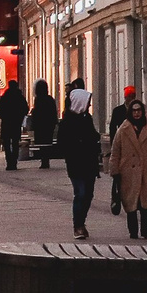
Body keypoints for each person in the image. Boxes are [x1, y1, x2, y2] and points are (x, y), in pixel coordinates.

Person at [109, 97, 147, 239]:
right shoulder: (123, 129)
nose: (136, 113)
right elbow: (115, 151)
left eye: (139, 110)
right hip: (128, 172)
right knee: (131, 202)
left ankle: (145, 230)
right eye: (134, 111)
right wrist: (114, 170)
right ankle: (133, 231)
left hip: (144, 171)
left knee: (145, 203)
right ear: (130, 112)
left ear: (143, 112)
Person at [58, 86, 103, 239]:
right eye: (87, 102)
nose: (89, 105)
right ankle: (77, 225)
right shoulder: (66, 122)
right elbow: (62, 144)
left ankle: (82, 222)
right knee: (80, 193)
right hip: (76, 164)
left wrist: (96, 141)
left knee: (89, 194)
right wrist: (74, 148)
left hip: (89, 163)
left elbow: (93, 136)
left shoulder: (87, 118)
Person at [106, 85, 136, 215]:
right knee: (118, 174)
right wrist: (114, 144)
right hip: (122, 146)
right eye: (129, 96)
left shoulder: (137, 110)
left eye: (132, 96)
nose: (131, 99)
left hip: (135, 147)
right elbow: (113, 127)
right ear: (125, 97)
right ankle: (116, 196)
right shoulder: (118, 111)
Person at [0, 79, 29, 170]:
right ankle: (14, 162)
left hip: (6, 123)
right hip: (16, 124)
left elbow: (0, 110)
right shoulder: (20, 97)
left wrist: (4, 117)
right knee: (15, 143)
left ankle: (9, 162)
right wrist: (20, 118)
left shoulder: (5, 96)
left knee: (6, 143)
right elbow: (25, 109)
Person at [30, 80, 58, 169]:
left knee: (41, 143)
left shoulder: (38, 99)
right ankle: (46, 159)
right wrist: (54, 122)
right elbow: (53, 111)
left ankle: (43, 160)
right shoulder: (50, 99)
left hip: (40, 124)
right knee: (48, 142)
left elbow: (37, 112)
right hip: (48, 124)